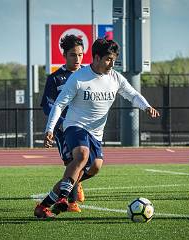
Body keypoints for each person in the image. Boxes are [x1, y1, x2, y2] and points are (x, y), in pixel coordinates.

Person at [34, 38, 160, 219]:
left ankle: (44, 206)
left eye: (114, 59)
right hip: (74, 126)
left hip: (96, 132)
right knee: (82, 156)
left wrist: (146, 107)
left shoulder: (115, 78)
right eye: (108, 59)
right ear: (97, 57)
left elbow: (132, 94)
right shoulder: (79, 77)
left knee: (95, 167)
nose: (111, 63)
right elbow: (59, 104)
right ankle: (64, 198)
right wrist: (50, 129)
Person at [40, 34, 86, 213]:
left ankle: (77, 183)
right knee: (71, 162)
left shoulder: (87, 74)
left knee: (86, 163)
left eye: (80, 55)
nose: (77, 59)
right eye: (73, 55)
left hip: (84, 128)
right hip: (63, 130)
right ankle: (72, 200)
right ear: (65, 55)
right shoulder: (55, 78)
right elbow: (48, 105)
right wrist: (57, 124)